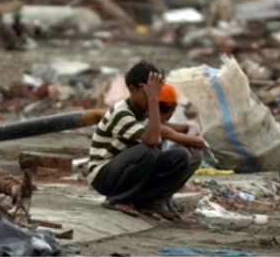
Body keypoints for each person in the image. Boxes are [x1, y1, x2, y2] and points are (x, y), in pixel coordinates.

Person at [87, 60, 204, 220]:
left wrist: (191, 128)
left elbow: (171, 128)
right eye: (149, 92)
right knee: (147, 151)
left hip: (125, 171)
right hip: (103, 175)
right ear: (132, 89)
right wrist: (153, 100)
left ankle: (147, 202)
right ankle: (117, 200)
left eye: (157, 91)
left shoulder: (146, 111)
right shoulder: (121, 112)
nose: (154, 96)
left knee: (181, 156)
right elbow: (152, 140)